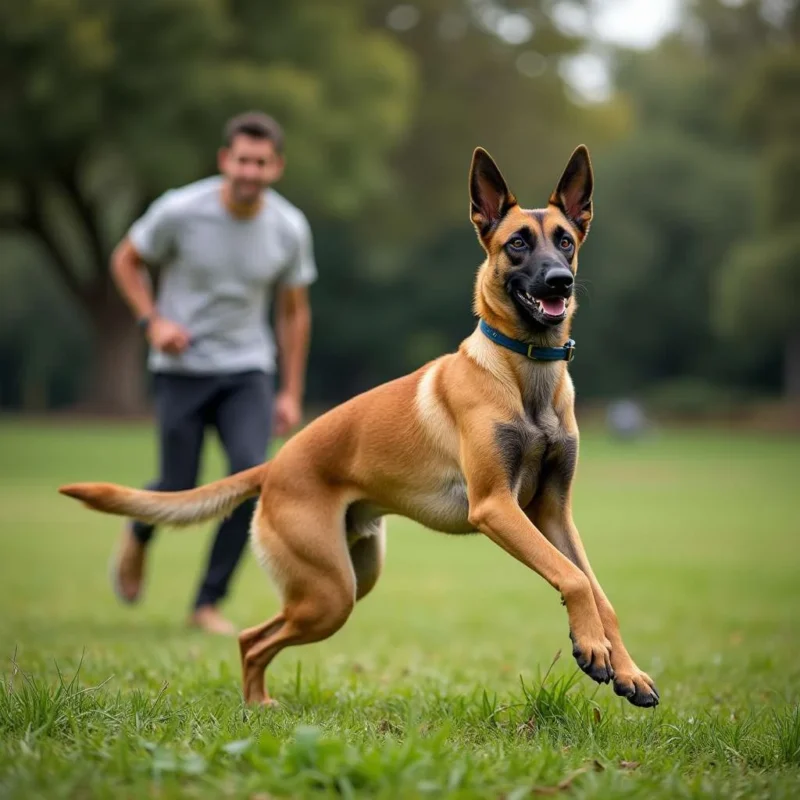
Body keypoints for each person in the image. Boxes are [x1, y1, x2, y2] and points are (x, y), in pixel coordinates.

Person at [109, 111, 316, 634]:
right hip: (181, 367)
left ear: (277, 167)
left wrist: (290, 390)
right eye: (242, 160)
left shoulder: (288, 228)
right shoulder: (180, 210)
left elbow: (293, 311)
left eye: (261, 163)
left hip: (247, 367)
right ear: (226, 160)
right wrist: (152, 322)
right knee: (177, 482)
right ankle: (138, 537)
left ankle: (206, 602)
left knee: (251, 479)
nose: (250, 171)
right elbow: (125, 260)